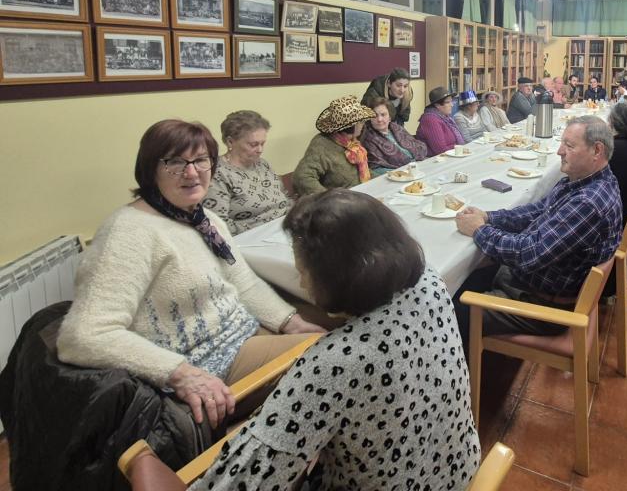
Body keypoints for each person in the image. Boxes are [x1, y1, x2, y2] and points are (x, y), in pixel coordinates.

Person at [128, 189, 482, 491]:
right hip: (457, 469)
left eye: (301, 270)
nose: (299, 278)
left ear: (334, 277)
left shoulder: (334, 363)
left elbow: (241, 483)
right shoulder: (429, 284)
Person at [57, 119, 324, 432]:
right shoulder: (128, 231)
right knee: (336, 356)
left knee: (337, 331)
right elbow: (82, 335)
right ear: (149, 170)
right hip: (209, 362)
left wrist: (291, 322)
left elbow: (245, 285)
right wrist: (180, 373)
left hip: (243, 334)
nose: (192, 172)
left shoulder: (203, 218)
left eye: (200, 160)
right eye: (174, 162)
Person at [452, 116, 622, 339]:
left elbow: (528, 253)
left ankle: (461, 370)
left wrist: (478, 230)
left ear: (597, 150)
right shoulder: (583, 180)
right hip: (538, 285)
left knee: (447, 312)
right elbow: (536, 211)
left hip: (543, 306)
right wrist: (488, 217)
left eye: (569, 146)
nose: (559, 151)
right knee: (464, 278)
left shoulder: (588, 203)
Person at [203, 110, 292, 235]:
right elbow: (219, 225)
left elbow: (285, 198)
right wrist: (264, 228)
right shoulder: (218, 173)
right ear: (230, 142)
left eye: (263, 143)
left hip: (284, 228)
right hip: (252, 239)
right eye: (253, 144)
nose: (260, 150)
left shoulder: (262, 164)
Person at [293, 96, 376, 195]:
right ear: (351, 126)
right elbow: (302, 176)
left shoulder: (352, 143)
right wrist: (330, 198)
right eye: (361, 121)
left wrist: (381, 178)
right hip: (342, 202)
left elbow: (361, 170)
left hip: (361, 194)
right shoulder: (321, 144)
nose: (363, 124)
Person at [361, 97, 429, 174]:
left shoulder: (397, 128)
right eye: (375, 116)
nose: (379, 119)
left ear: (389, 117)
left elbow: (419, 146)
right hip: (396, 176)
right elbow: (375, 168)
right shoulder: (368, 137)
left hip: (417, 167)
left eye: (383, 115)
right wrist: (401, 172)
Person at [416, 86, 465, 155]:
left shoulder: (445, 117)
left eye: (451, 101)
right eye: (448, 102)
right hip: (434, 161)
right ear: (437, 105)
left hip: (451, 155)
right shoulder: (430, 120)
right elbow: (441, 150)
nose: (452, 105)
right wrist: (458, 146)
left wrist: (457, 146)